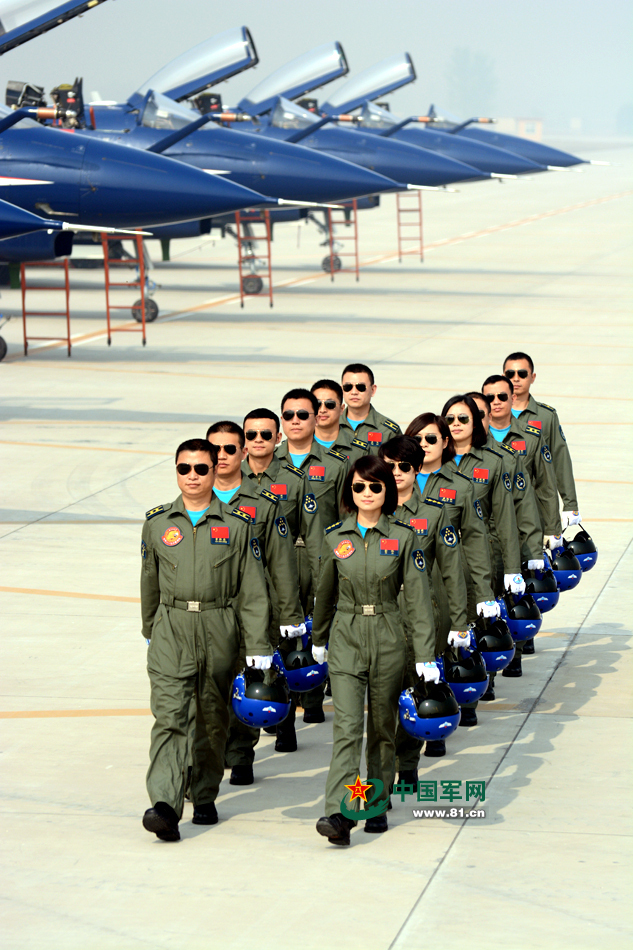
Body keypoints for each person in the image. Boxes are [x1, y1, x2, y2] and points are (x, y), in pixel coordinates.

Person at [140, 439, 271, 842]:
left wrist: (258, 649)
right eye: (184, 469)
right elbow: (149, 582)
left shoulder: (236, 525)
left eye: (201, 469)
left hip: (219, 627)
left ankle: (205, 792)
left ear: (216, 470)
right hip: (172, 627)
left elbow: (252, 592)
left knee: (212, 721)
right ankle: (164, 804)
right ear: (176, 471)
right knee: (170, 718)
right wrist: (153, 631)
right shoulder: (158, 523)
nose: (192, 476)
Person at [312, 456, 437, 846]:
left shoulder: (403, 537)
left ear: (386, 491)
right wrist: (318, 638)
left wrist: (425, 655)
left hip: (387, 633)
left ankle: (376, 803)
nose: (366, 493)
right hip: (347, 634)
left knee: (382, 728)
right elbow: (325, 593)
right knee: (347, 728)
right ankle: (340, 811)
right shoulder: (335, 537)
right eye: (358, 487)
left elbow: (417, 599)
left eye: (374, 486)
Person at [205, 421, 304, 785]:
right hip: (206, 610)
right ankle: (203, 760)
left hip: (250, 609)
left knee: (247, 681)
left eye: (230, 449)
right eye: (213, 449)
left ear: (242, 453)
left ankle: (241, 754)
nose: (221, 456)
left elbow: (281, 565)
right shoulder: (197, 501)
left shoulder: (264, 504)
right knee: (206, 690)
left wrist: (290, 617)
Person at [379, 435, 468, 764]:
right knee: (382, 699)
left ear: (417, 469)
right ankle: (383, 776)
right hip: (380, 616)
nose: (396, 472)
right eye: (389, 466)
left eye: (404, 466)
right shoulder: (369, 511)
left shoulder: (434, 514)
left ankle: (407, 761)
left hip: (421, 613)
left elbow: (452, 570)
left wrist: (459, 622)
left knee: (414, 691)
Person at [404, 412, 496, 727]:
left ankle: (458, 705)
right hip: (407, 587)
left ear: (445, 442)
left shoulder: (462, 486)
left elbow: (474, 541)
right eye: (417, 439)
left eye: (431, 439)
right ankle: (422, 717)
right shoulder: (394, 482)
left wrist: (482, 593)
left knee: (451, 649)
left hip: (447, 583)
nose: (424, 445)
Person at [274, 389, 349, 732]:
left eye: (302, 415)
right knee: (283, 639)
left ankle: (315, 698)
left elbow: (347, 520)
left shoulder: (336, 464)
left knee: (317, 634)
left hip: (322, 562)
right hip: (283, 566)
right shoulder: (268, 468)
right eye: (288, 415)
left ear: (315, 416)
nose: (295, 422)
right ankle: (286, 718)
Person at [469, 391, 546, 676]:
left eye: (477, 415)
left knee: (491, 614)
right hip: (452, 554)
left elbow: (520, 510)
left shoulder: (503, 459)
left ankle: (491, 673)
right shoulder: (443, 461)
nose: (471, 422)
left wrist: (528, 556)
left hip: (493, 550)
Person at [441, 393, 524, 598]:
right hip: (439, 557)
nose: (456, 424)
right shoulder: (432, 460)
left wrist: (513, 569)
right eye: (449, 419)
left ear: (476, 424)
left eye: (463, 418)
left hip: (480, 557)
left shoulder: (493, 462)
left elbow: (505, 519)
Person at [503, 351, 582, 530]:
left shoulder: (546, 417)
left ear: (532, 377)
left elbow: (561, 459)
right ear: (503, 378)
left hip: (535, 508)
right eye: (510, 374)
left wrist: (570, 504)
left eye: (522, 374)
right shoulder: (489, 416)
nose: (516, 379)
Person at [338, 363, 402, 453]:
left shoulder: (389, 431)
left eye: (360, 387)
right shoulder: (329, 426)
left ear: (373, 390)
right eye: (348, 387)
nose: (354, 392)